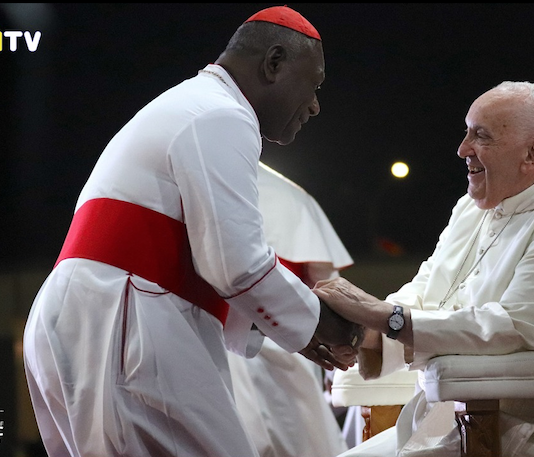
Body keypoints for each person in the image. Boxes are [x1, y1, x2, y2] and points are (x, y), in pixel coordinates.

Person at [22, 6, 360, 457]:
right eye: (314, 85)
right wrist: (324, 322)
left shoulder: (195, 104)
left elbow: (211, 263)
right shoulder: (221, 115)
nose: (315, 104)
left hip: (100, 313)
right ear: (274, 63)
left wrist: (299, 332)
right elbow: (237, 266)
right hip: (126, 321)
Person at [313, 80, 534, 457]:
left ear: (530, 155)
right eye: (466, 133)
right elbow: (426, 290)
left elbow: (512, 327)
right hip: (441, 419)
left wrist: (383, 316)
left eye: (481, 135)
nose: (463, 149)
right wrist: (362, 329)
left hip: (506, 426)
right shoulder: (470, 209)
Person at [227, 161, 354, 457]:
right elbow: (329, 292)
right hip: (284, 348)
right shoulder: (293, 197)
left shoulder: (194, 189)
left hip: (280, 350)